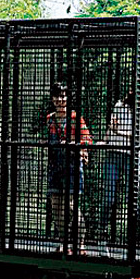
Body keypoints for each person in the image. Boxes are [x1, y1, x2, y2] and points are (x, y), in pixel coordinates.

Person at [99, 79, 140, 248]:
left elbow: (138, 136)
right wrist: (107, 139)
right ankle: (102, 237)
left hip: (133, 157)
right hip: (114, 154)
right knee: (108, 197)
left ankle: (131, 241)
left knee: (133, 198)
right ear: (134, 91)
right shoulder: (119, 106)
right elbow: (112, 128)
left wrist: (118, 131)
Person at [46, 82, 92, 254]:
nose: (60, 99)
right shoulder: (50, 119)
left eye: (63, 96)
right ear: (53, 99)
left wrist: (74, 145)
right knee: (56, 205)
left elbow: (88, 140)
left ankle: (79, 243)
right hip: (55, 167)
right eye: (57, 96)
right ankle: (63, 242)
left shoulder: (75, 118)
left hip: (72, 166)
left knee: (72, 205)